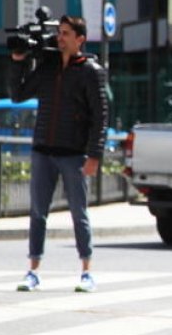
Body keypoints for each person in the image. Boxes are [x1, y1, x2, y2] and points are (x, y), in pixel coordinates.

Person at [7, 15, 109, 293]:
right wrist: (19, 62)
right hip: (43, 150)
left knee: (79, 213)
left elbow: (101, 117)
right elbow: (18, 94)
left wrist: (94, 155)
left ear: (80, 39)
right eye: (59, 33)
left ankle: (87, 272)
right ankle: (32, 271)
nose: (60, 38)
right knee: (38, 212)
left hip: (73, 153)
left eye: (66, 34)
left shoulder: (90, 70)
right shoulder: (49, 67)